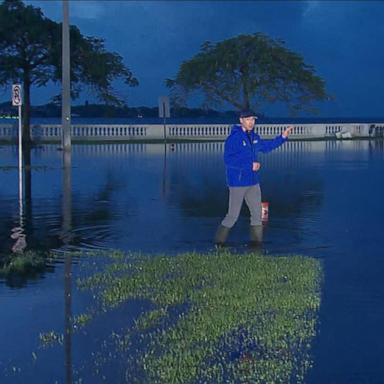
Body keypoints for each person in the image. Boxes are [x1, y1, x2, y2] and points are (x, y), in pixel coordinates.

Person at [214, 110, 293, 246]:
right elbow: (228, 160)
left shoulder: (254, 137)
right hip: (238, 183)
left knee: (257, 215)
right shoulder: (234, 138)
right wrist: (249, 165)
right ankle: (218, 244)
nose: (251, 122)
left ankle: (256, 246)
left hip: (253, 182)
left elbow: (267, 147)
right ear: (241, 120)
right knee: (232, 216)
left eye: (253, 120)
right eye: (248, 119)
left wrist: (283, 137)